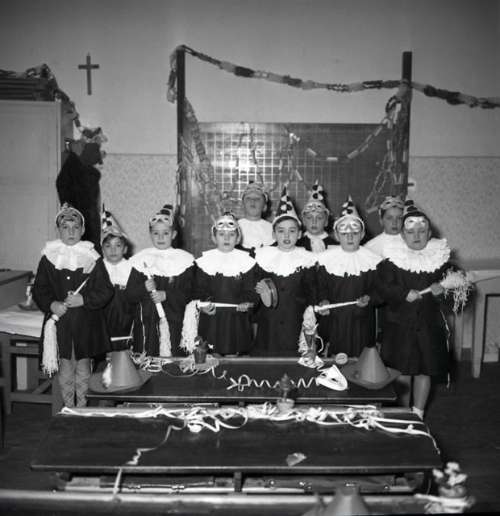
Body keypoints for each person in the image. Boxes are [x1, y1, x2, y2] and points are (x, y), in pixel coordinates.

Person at [377, 199, 452, 419]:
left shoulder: (440, 262)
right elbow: (382, 287)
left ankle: (418, 413)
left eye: (422, 231)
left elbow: (455, 293)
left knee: (424, 371)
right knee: (402, 371)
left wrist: (442, 292)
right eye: (410, 232)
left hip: (428, 327)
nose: (416, 236)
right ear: (402, 235)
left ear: (429, 234)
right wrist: (402, 293)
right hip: (400, 328)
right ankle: (402, 413)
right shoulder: (392, 262)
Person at [32, 203, 113, 407]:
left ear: (83, 230)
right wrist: (51, 304)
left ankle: (82, 410)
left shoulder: (92, 258)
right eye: (65, 227)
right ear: (58, 230)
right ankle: (69, 408)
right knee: (65, 368)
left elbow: (105, 291)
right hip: (61, 326)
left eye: (75, 227)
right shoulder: (48, 258)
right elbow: (39, 289)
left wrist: (84, 299)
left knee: (84, 369)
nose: (71, 232)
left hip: (85, 325)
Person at [316, 196, 382, 357]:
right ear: (337, 235)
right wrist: (323, 300)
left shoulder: (373, 261)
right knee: (335, 363)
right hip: (334, 323)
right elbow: (319, 287)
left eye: (355, 232)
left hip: (362, 324)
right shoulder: (326, 260)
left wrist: (370, 298)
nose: (350, 237)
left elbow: (380, 290)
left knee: (360, 363)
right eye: (344, 233)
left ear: (363, 234)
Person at [125, 204, 195, 357]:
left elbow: (189, 293)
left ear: (174, 234)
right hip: (147, 325)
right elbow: (129, 295)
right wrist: (143, 287)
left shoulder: (185, 261)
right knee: (148, 360)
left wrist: (167, 295)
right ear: (150, 234)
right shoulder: (141, 260)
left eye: (166, 233)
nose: (161, 237)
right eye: (156, 233)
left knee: (171, 360)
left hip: (174, 323)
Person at [253, 188, 316, 356]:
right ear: (274, 234)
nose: (286, 236)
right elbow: (253, 293)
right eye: (281, 231)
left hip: (295, 325)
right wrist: (258, 291)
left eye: (292, 231)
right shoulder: (263, 258)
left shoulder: (308, 260)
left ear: (300, 234)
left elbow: (312, 294)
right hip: (269, 327)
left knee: (295, 363)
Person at [194, 212, 258, 355]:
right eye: (222, 234)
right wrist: (202, 306)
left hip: (237, 320)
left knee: (234, 355)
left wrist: (247, 303)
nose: (226, 238)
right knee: (212, 356)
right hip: (212, 319)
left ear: (238, 238)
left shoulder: (247, 262)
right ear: (214, 237)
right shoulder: (204, 262)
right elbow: (198, 290)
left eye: (231, 234)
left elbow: (252, 291)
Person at [100, 207, 134, 351]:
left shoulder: (131, 269)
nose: (113, 250)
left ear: (125, 249)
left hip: (126, 324)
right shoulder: (97, 269)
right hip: (103, 325)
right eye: (108, 246)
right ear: (102, 249)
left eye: (118, 245)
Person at [296, 180, 336, 253]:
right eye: (309, 218)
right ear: (304, 220)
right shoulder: (297, 245)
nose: (314, 222)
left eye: (319, 218)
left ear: (326, 221)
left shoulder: (335, 246)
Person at [238, 180, 274, 255]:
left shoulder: (271, 229)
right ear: (242, 205)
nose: (253, 201)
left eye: (257, 199)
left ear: (264, 207)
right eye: (248, 198)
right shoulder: (236, 226)